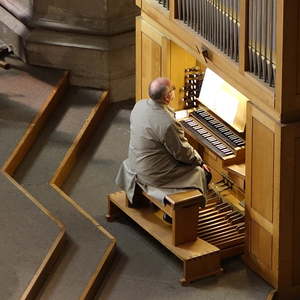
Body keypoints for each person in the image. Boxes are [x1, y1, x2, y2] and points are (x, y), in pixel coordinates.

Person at [115, 77, 211, 212]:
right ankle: (178, 212)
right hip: (153, 174)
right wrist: (200, 161)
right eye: (173, 90)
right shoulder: (167, 123)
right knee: (200, 172)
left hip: (136, 162)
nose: (174, 92)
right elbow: (183, 153)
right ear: (167, 97)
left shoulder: (139, 105)